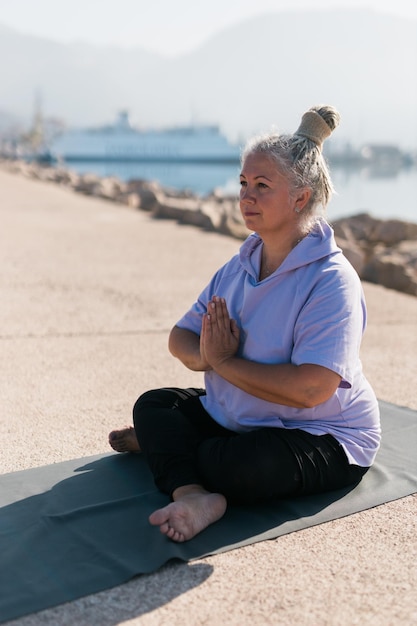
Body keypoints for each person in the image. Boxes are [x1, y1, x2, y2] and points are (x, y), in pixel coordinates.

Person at [109, 105, 381, 543]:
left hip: (321, 434)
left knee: (233, 463)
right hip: (244, 417)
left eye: (261, 186)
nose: (245, 197)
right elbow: (180, 337)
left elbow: (312, 389)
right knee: (155, 405)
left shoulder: (332, 281)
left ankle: (174, 453)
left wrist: (224, 362)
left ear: (301, 197)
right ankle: (193, 492)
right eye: (242, 184)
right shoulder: (240, 265)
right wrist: (205, 358)